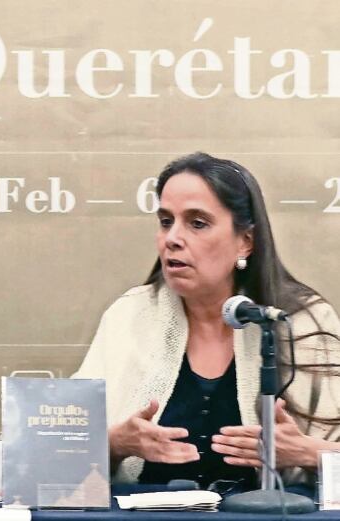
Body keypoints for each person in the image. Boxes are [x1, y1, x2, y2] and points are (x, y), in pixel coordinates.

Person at [76, 153, 340, 487]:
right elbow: (57, 451)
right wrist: (114, 444)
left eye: (197, 223)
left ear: (245, 242)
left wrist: (305, 452)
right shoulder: (129, 316)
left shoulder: (301, 322)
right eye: (166, 221)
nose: (173, 238)